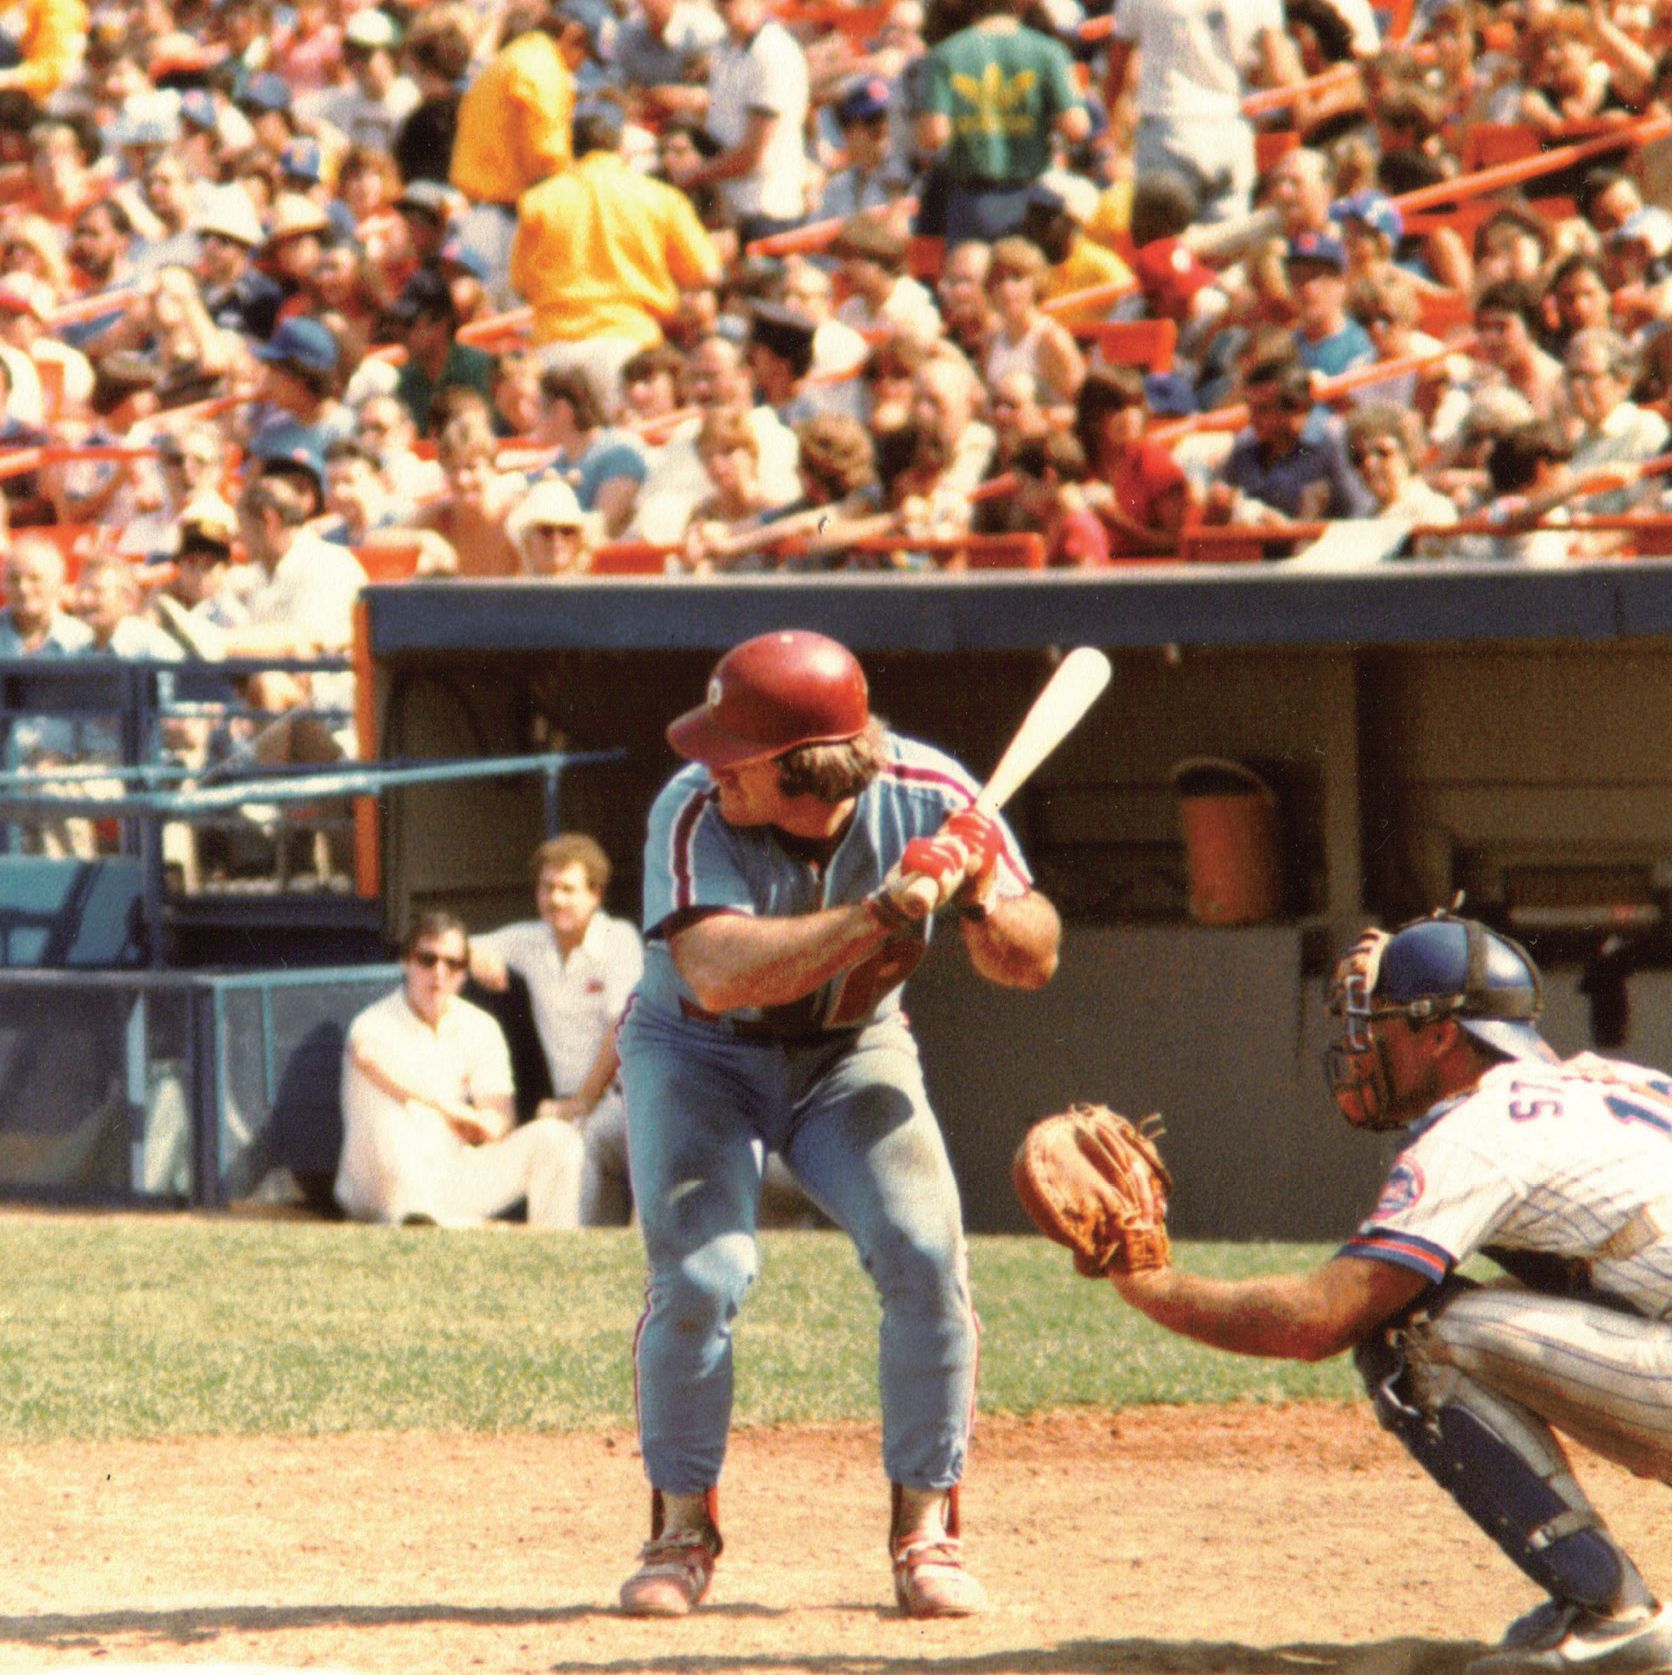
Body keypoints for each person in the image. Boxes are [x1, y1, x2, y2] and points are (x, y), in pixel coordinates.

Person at [615, 629, 1061, 1619]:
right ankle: (681, 1530)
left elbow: (1032, 960)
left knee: (924, 1254)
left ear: (800, 767)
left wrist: (981, 889)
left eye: (734, 750)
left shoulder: (935, 795)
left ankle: (926, 1533)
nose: (708, 764)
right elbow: (720, 969)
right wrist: (879, 910)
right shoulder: (689, 809)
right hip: (695, 1052)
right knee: (702, 1271)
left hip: (851, 1053)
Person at [1103, 911, 1672, 1675]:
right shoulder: (1616, 1080)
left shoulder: (1477, 1130)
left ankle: (1611, 1611)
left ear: (1441, 1034)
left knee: (1412, 1335)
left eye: (1386, 1021)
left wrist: (1151, 1285)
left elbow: (1317, 1319)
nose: (1366, 1042)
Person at [336, 910, 585, 1227]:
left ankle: (553, 1253)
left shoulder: (481, 1027)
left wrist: (487, 1125)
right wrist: (454, 1112)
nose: (439, 972)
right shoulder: (373, 1022)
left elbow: (500, 1116)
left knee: (558, 1139)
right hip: (382, 1189)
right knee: (397, 1106)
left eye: (452, 964)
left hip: (450, 1176)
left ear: (464, 974)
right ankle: (432, 1222)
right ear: (406, 962)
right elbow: (371, 1062)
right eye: (427, 960)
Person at [469, 834, 644, 1226]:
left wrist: (584, 1100)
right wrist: (478, 957)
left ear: (596, 894)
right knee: (571, 1189)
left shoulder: (619, 939)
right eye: (548, 888)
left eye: (568, 888)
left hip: (626, 1100)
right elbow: (455, 944)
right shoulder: (530, 941)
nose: (556, 899)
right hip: (573, 1111)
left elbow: (622, 1027)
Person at [510, 98, 721, 407]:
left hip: (556, 348)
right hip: (629, 343)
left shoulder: (539, 200)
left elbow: (521, 285)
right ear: (620, 144)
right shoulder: (658, 196)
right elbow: (707, 271)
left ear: (573, 144)